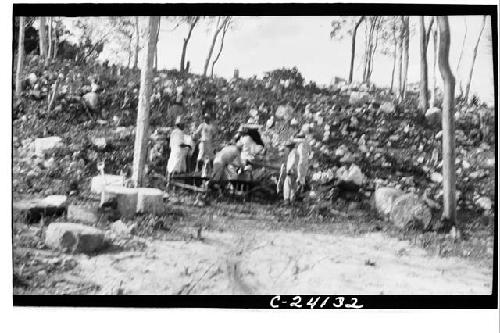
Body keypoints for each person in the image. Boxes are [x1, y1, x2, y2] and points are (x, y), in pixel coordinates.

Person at [166, 116, 190, 181]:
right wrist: (188, 146)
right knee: (176, 167)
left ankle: (169, 180)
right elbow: (180, 144)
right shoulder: (179, 132)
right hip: (178, 152)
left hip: (173, 151)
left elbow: (171, 144)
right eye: (183, 125)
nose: (184, 126)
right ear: (180, 125)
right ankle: (175, 180)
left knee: (172, 165)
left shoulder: (173, 132)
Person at [277, 140, 299, 205]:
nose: (287, 148)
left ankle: (287, 201)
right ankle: (292, 201)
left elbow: (293, 162)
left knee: (287, 185)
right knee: (293, 186)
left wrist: (289, 170)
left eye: (288, 146)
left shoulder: (294, 152)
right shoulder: (294, 152)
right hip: (294, 172)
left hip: (291, 171)